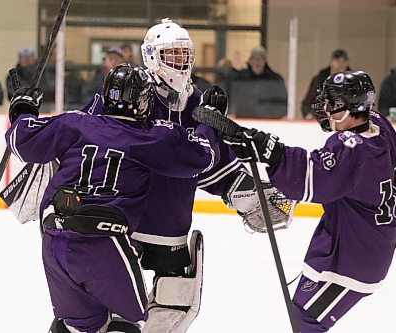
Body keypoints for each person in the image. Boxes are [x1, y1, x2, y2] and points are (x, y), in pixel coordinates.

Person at [82, 18, 287, 331]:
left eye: (184, 53)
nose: (181, 61)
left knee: (176, 301)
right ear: (151, 55)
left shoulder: (197, 101)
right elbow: (88, 134)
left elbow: (212, 161)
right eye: (172, 54)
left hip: (170, 221)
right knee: (113, 303)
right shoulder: (127, 91)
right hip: (124, 219)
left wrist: (248, 195)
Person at [6, 64, 220, 333]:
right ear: (143, 101)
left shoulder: (74, 122)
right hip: (103, 244)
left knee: (78, 327)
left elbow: (20, 139)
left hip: (54, 239)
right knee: (126, 325)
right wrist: (210, 121)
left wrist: (22, 108)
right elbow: (202, 157)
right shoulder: (149, 138)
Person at [224, 70, 396, 332]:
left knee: (305, 318)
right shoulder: (380, 127)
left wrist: (271, 153)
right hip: (358, 242)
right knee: (300, 310)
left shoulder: (353, 150)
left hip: (354, 259)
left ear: (349, 108)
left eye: (332, 102)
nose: (326, 108)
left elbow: (315, 178)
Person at [226, 46, 287, 118]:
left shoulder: (275, 79)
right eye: (254, 58)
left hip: (268, 123)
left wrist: (271, 116)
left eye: (260, 58)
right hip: (244, 121)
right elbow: (231, 95)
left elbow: (283, 104)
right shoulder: (240, 79)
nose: (257, 61)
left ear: (265, 61)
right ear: (250, 61)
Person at [301, 49, 350, 119]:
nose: (340, 64)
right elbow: (308, 102)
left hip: (346, 120)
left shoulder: (352, 81)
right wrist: (308, 114)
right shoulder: (319, 79)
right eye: (337, 61)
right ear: (331, 62)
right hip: (321, 119)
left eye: (343, 61)